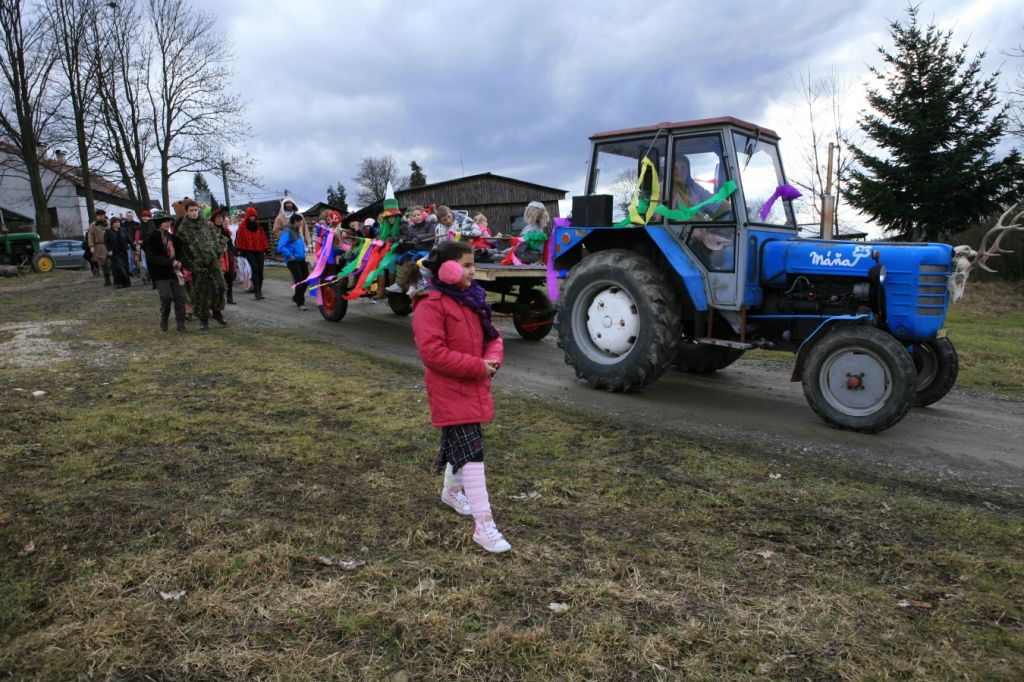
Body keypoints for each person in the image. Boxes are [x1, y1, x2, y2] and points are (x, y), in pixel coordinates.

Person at [411, 240, 510, 553]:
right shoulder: (429, 303)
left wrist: (491, 359)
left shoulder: (472, 298)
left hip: (473, 386)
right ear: (447, 269)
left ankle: (452, 492)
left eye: (473, 265)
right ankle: (484, 525)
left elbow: (493, 336)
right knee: (472, 453)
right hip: (450, 390)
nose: (472, 271)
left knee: (463, 444)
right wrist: (478, 367)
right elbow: (432, 353)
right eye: (467, 265)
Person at [177, 200, 228, 330]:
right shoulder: (183, 230)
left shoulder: (208, 224)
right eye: (191, 210)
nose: (194, 213)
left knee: (219, 288)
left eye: (195, 210)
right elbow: (181, 251)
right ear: (186, 212)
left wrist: (217, 254)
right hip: (198, 266)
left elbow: (219, 239)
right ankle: (203, 319)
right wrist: (191, 265)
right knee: (202, 293)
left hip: (213, 263)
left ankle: (217, 313)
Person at [143, 211, 188, 332]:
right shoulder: (151, 238)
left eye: (169, 221)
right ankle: (164, 318)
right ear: (158, 223)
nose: (168, 223)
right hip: (160, 274)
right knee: (166, 298)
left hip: (175, 272)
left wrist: (180, 262)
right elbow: (152, 258)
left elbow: (181, 253)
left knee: (180, 297)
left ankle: (181, 324)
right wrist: (170, 262)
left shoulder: (172, 238)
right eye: (165, 221)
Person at [671, 155, 730, 220]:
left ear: (687, 171)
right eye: (675, 168)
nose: (679, 171)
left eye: (683, 168)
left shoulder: (694, 188)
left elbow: (714, 202)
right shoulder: (666, 190)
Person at [235, 206, 269, 300]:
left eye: (254, 216)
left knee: (260, 269)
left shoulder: (258, 225)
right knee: (255, 269)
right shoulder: (243, 226)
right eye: (250, 216)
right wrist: (240, 249)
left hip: (259, 249)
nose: (252, 217)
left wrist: (266, 248)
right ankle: (256, 292)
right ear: (247, 216)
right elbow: (240, 238)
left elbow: (263, 237)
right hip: (249, 250)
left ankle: (259, 291)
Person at [278, 213, 311, 310]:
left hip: (301, 259)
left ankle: (296, 296)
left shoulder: (297, 231)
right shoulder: (287, 231)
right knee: (299, 281)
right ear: (295, 221)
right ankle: (301, 303)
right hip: (292, 260)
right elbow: (281, 246)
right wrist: (289, 255)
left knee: (306, 279)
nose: (302, 223)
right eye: (300, 221)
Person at [210, 207, 237, 304]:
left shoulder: (225, 230)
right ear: (214, 219)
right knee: (219, 277)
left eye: (221, 217)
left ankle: (229, 297)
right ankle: (218, 299)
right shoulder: (210, 230)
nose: (219, 219)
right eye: (217, 217)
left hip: (227, 255)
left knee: (229, 275)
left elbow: (230, 243)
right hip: (216, 256)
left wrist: (234, 253)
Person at [104, 217, 131, 287]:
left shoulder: (123, 230)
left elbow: (129, 239)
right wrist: (109, 250)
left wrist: (134, 248)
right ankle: (118, 283)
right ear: (112, 224)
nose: (117, 224)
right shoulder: (108, 232)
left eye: (118, 222)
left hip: (123, 251)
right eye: (115, 222)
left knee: (125, 267)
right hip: (114, 252)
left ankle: (126, 283)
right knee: (118, 267)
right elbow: (106, 242)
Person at [87, 209, 111, 285]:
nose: (99, 217)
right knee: (102, 263)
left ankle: (110, 275)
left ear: (104, 215)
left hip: (108, 245)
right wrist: (91, 246)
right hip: (99, 246)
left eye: (101, 216)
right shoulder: (93, 225)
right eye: (98, 216)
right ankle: (107, 279)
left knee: (109, 263)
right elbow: (90, 236)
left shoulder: (109, 223)